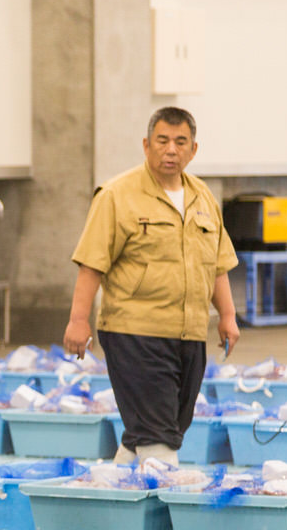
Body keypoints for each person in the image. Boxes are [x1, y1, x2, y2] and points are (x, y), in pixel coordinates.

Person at [63, 107, 239, 465]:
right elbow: (91, 264)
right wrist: (78, 320)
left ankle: (117, 496)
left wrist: (228, 316)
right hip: (135, 331)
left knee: (164, 426)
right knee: (158, 434)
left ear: (193, 149)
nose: (170, 149)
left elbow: (218, 264)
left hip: (189, 334)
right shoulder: (116, 195)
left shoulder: (203, 198)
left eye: (180, 142)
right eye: (162, 140)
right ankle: (162, 518)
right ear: (146, 145)